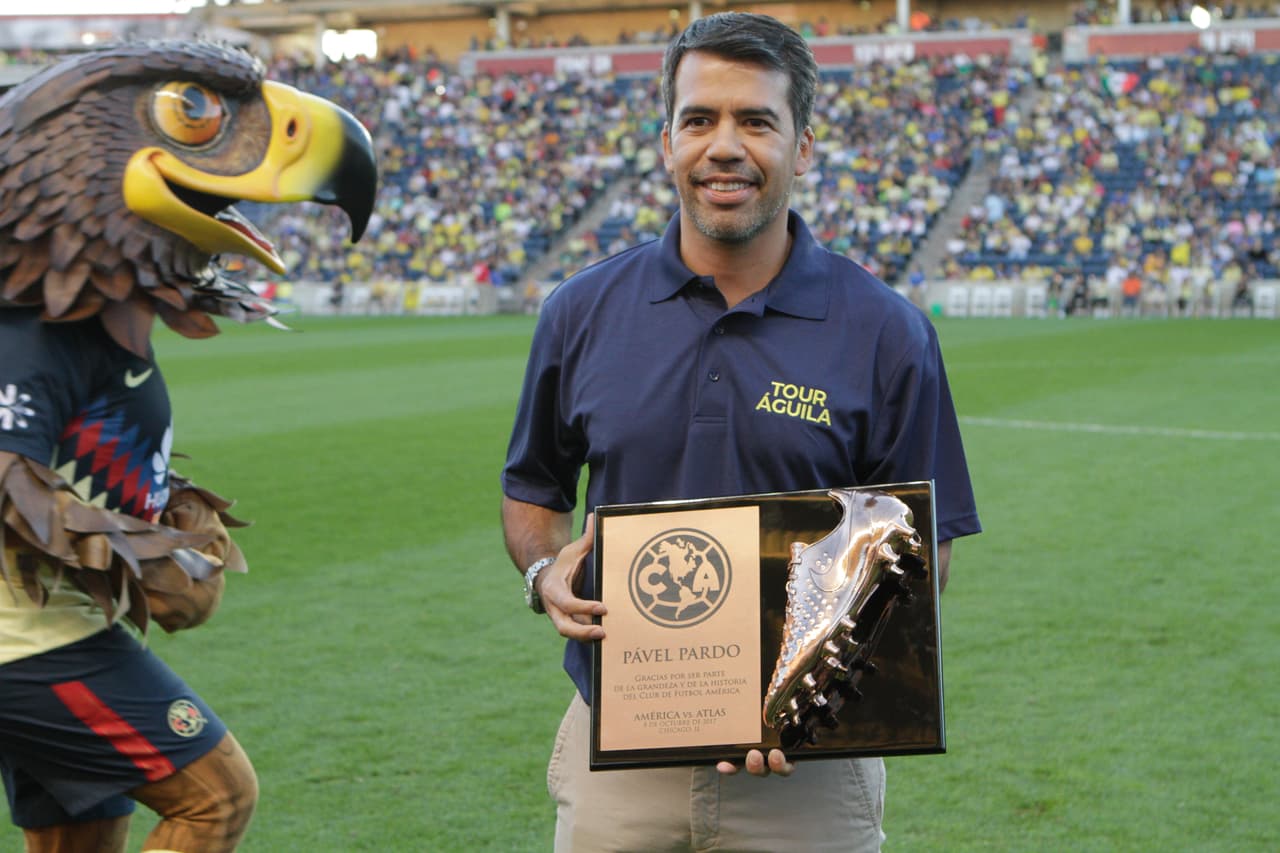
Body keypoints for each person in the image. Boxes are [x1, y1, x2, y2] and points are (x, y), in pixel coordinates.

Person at [501, 12, 980, 852]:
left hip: (812, 765)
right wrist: (545, 570)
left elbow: (921, 555)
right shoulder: (579, 312)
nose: (724, 146)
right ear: (667, 143)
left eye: (756, 120)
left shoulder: (886, 330)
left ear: (801, 148)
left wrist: (806, 688)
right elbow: (533, 491)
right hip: (620, 750)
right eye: (700, 120)